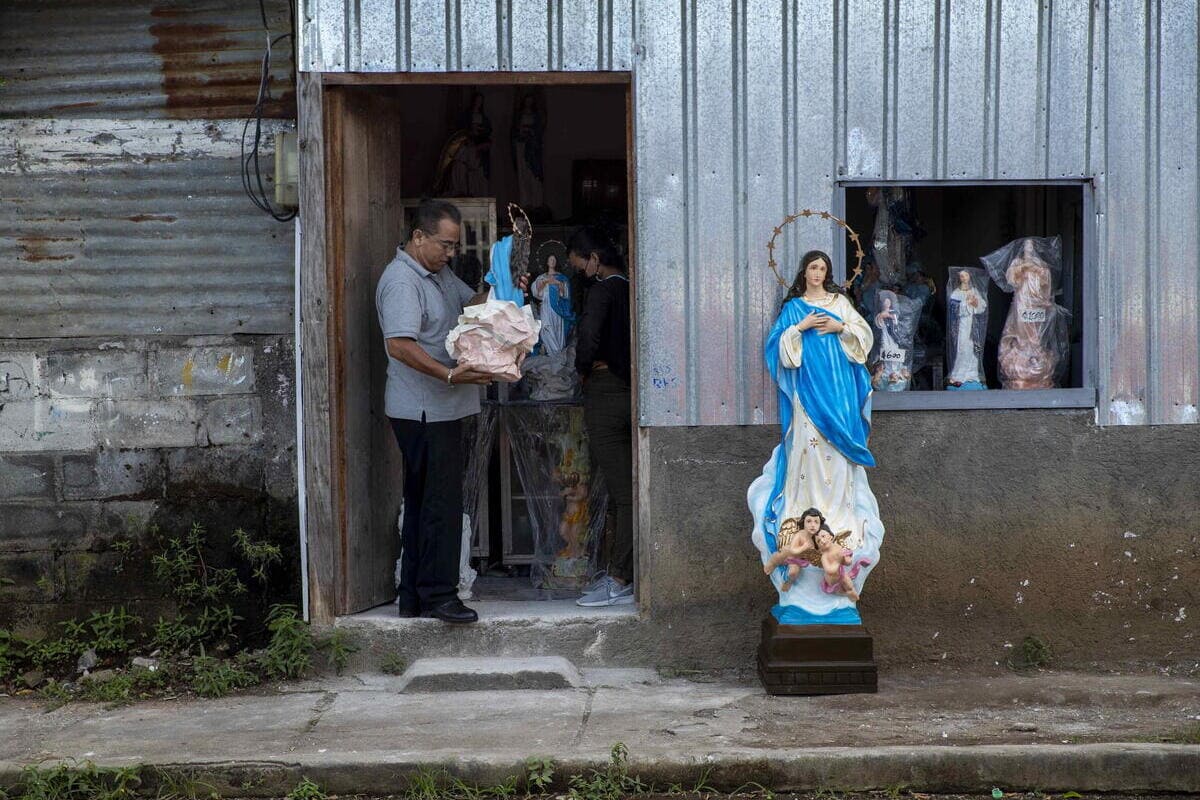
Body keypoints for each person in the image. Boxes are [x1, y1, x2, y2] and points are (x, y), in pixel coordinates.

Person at [747, 249, 885, 624]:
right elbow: (777, 348)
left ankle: (840, 522)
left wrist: (840, 327)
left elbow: (864, 337)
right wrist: (801, 327)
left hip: (838, 395)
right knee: (806, 454)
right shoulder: (794, 308)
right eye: (812, 267)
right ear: (803, 272)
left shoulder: (840, 302)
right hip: (807, 396)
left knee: (838, 461)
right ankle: (802, 514)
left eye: (823, 268)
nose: (818, 273)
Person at [375, 199, 496, 624]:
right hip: (423, 410)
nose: (451, 253)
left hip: (442, 408)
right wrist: (449, 376)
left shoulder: (438, 275)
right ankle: (440, 595)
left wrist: (499, 285)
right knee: (439, 504)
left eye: (454, 246)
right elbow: (400, 346)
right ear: (419, 237)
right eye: (444, 245)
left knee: (425, 501)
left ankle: (413, 596)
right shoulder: (402, 282)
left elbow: (474, 307)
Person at [568, 225, 633, 607]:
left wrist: (581, 369)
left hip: (606, 390)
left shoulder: (601, 291)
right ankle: (621, 572)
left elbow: (588, 341)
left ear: (594, 260)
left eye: (580, 266)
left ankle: (619, 577)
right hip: (633, 392)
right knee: (627, 490)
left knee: (620, 492)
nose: (580, 274)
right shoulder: (632, 288)